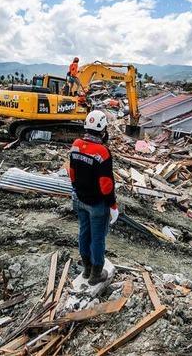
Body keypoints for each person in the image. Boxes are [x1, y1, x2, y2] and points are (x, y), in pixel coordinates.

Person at [69, 110, 119, 285]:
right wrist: (113, 205)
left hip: (80, 199)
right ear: (102, 130)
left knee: (84, 233)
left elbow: (72, 173)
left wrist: (78, 190)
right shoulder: (102, 152)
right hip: (97, 204)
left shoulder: (75, 145)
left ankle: (86, 269)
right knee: (97, 238)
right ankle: (96, 274)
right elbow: (106, 184)